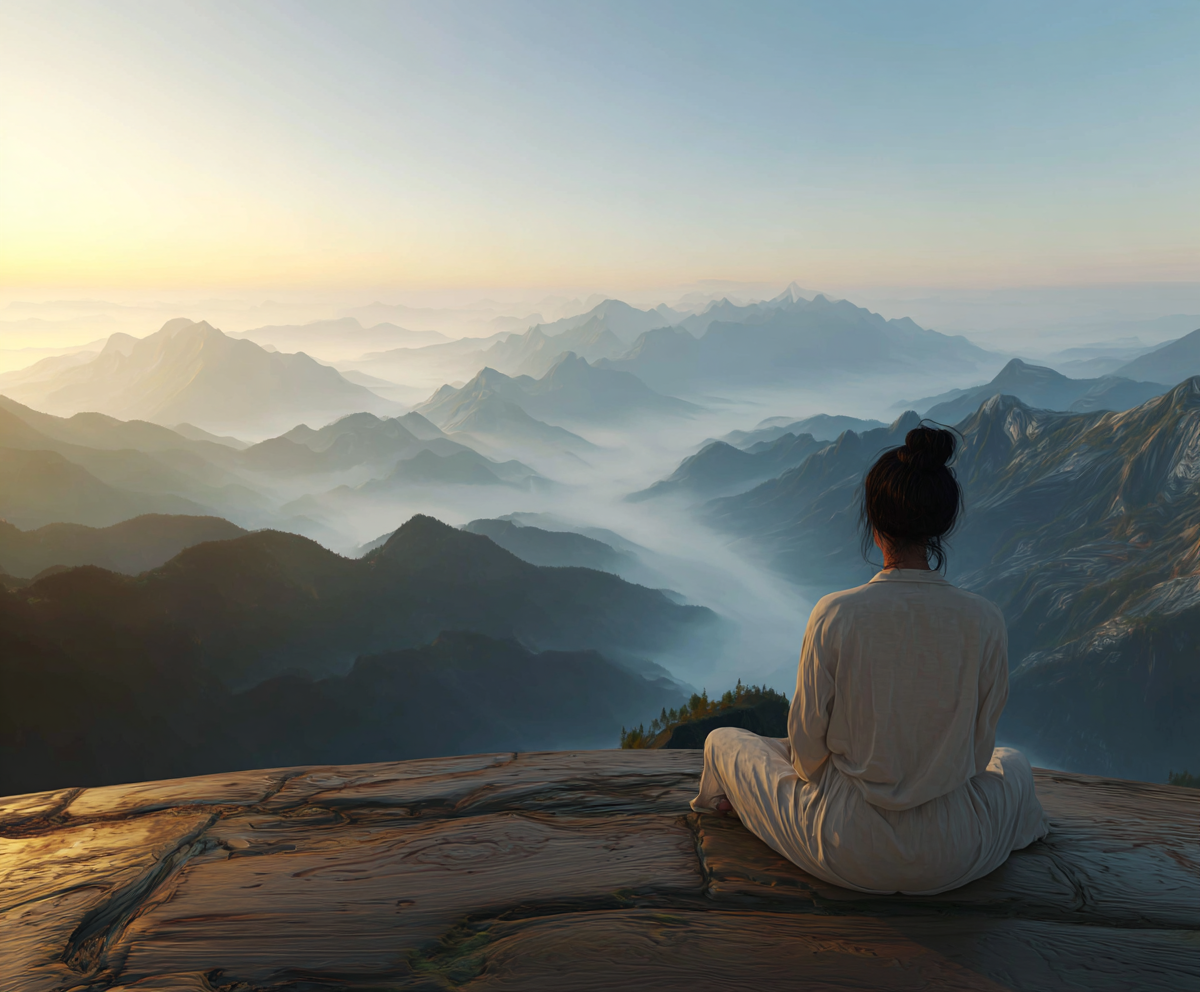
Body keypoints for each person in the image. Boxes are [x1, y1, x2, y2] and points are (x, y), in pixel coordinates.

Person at [692, 424, 1049, 895]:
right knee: (1015, 764)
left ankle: (738, 805)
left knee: (725, 741)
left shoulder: (836, 613)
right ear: (941, 525)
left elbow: (806, 753)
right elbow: (979, 756)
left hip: (845, 846)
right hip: (955, 852)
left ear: (875, 524)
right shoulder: (985, 620)